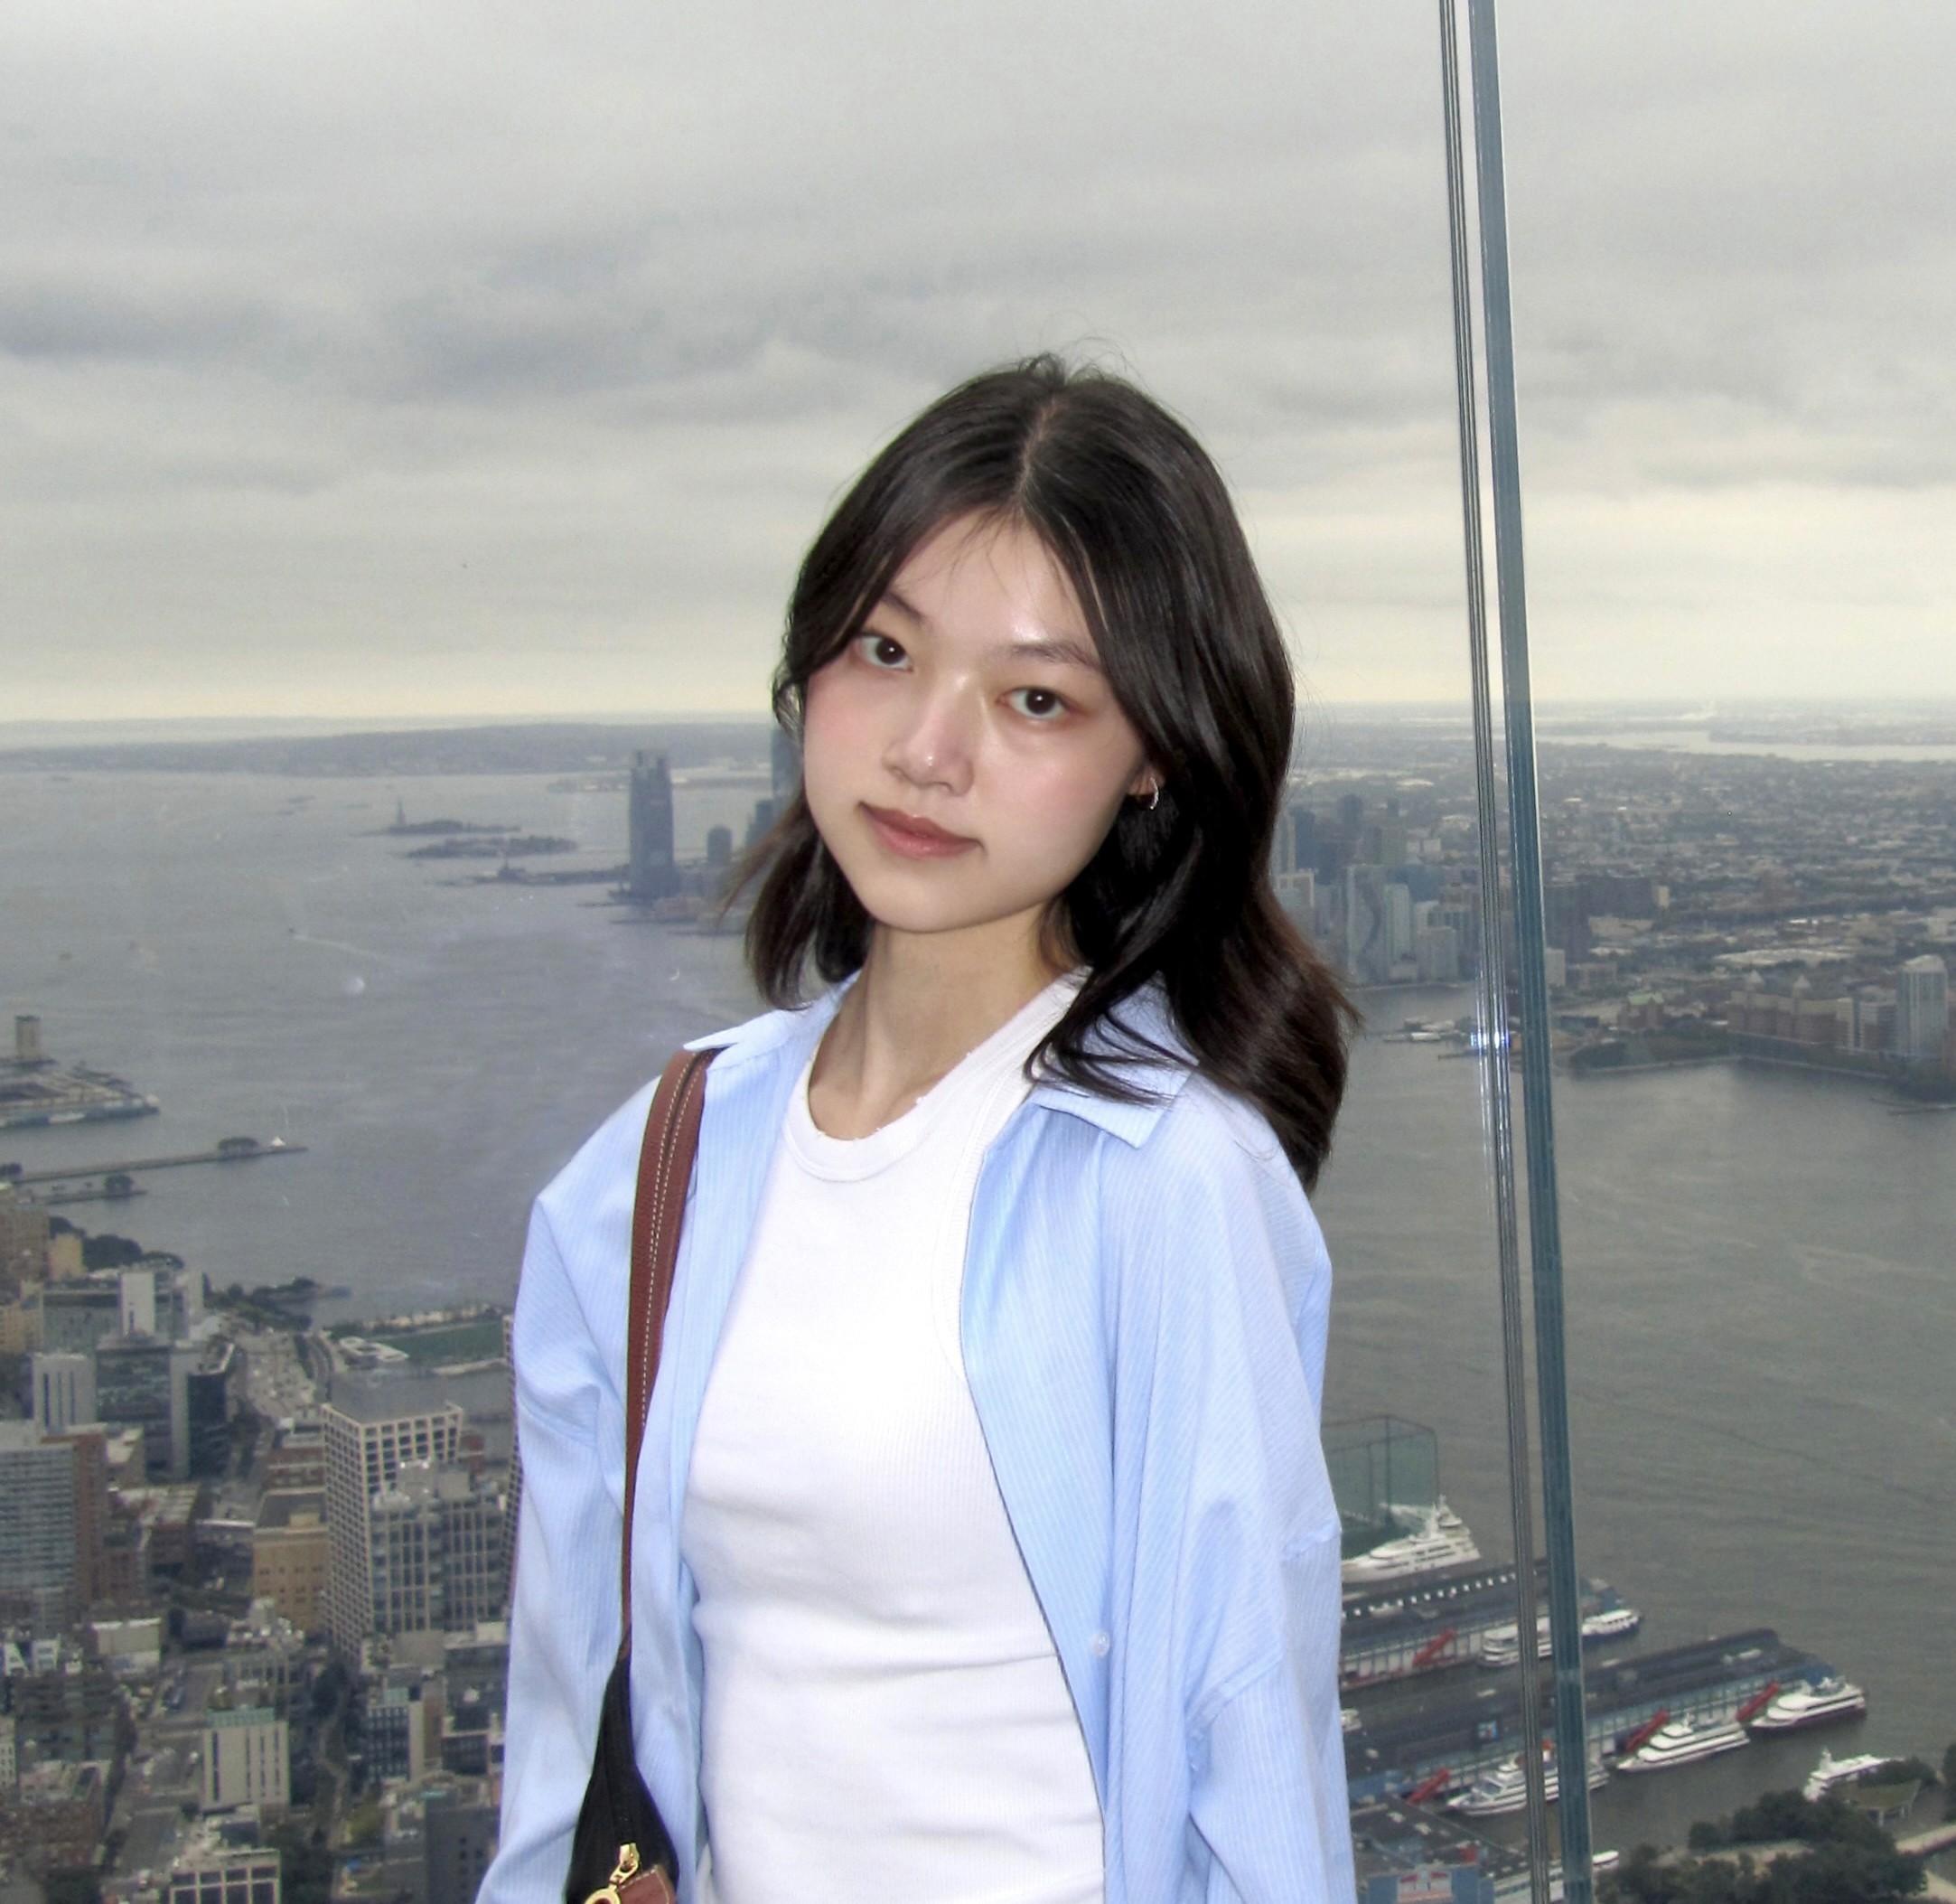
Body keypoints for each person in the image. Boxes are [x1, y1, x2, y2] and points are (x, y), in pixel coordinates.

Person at [484, 357, 1358, 1904]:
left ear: (1151, 753)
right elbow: (572, 1728)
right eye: (886, 650)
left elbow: (1247, 1753)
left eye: (1035, 697)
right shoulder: (660, 1161)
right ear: (806, 664)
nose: (927, 751)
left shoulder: (1164, 1187)